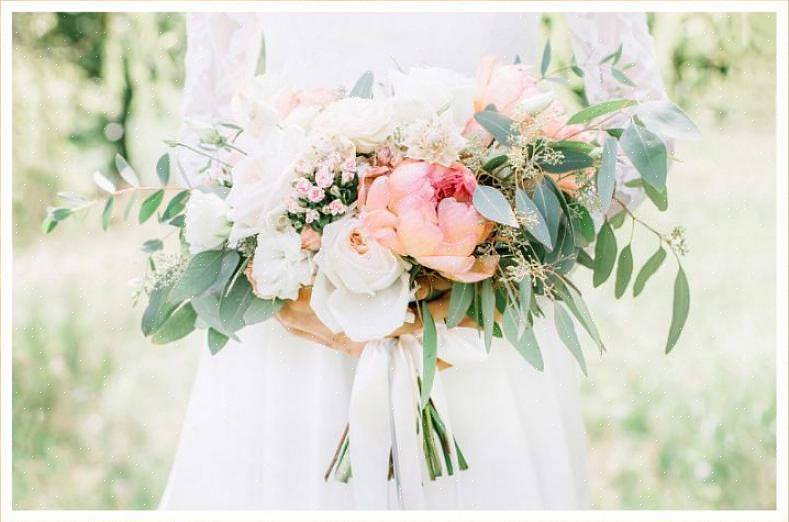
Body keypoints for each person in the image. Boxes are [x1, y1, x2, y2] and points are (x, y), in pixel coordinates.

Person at [160, 11, 669, 510]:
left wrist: (517, 254)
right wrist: (289, 270)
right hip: (298, 315)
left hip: (480, 318)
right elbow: (202, 139)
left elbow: (640, 130)